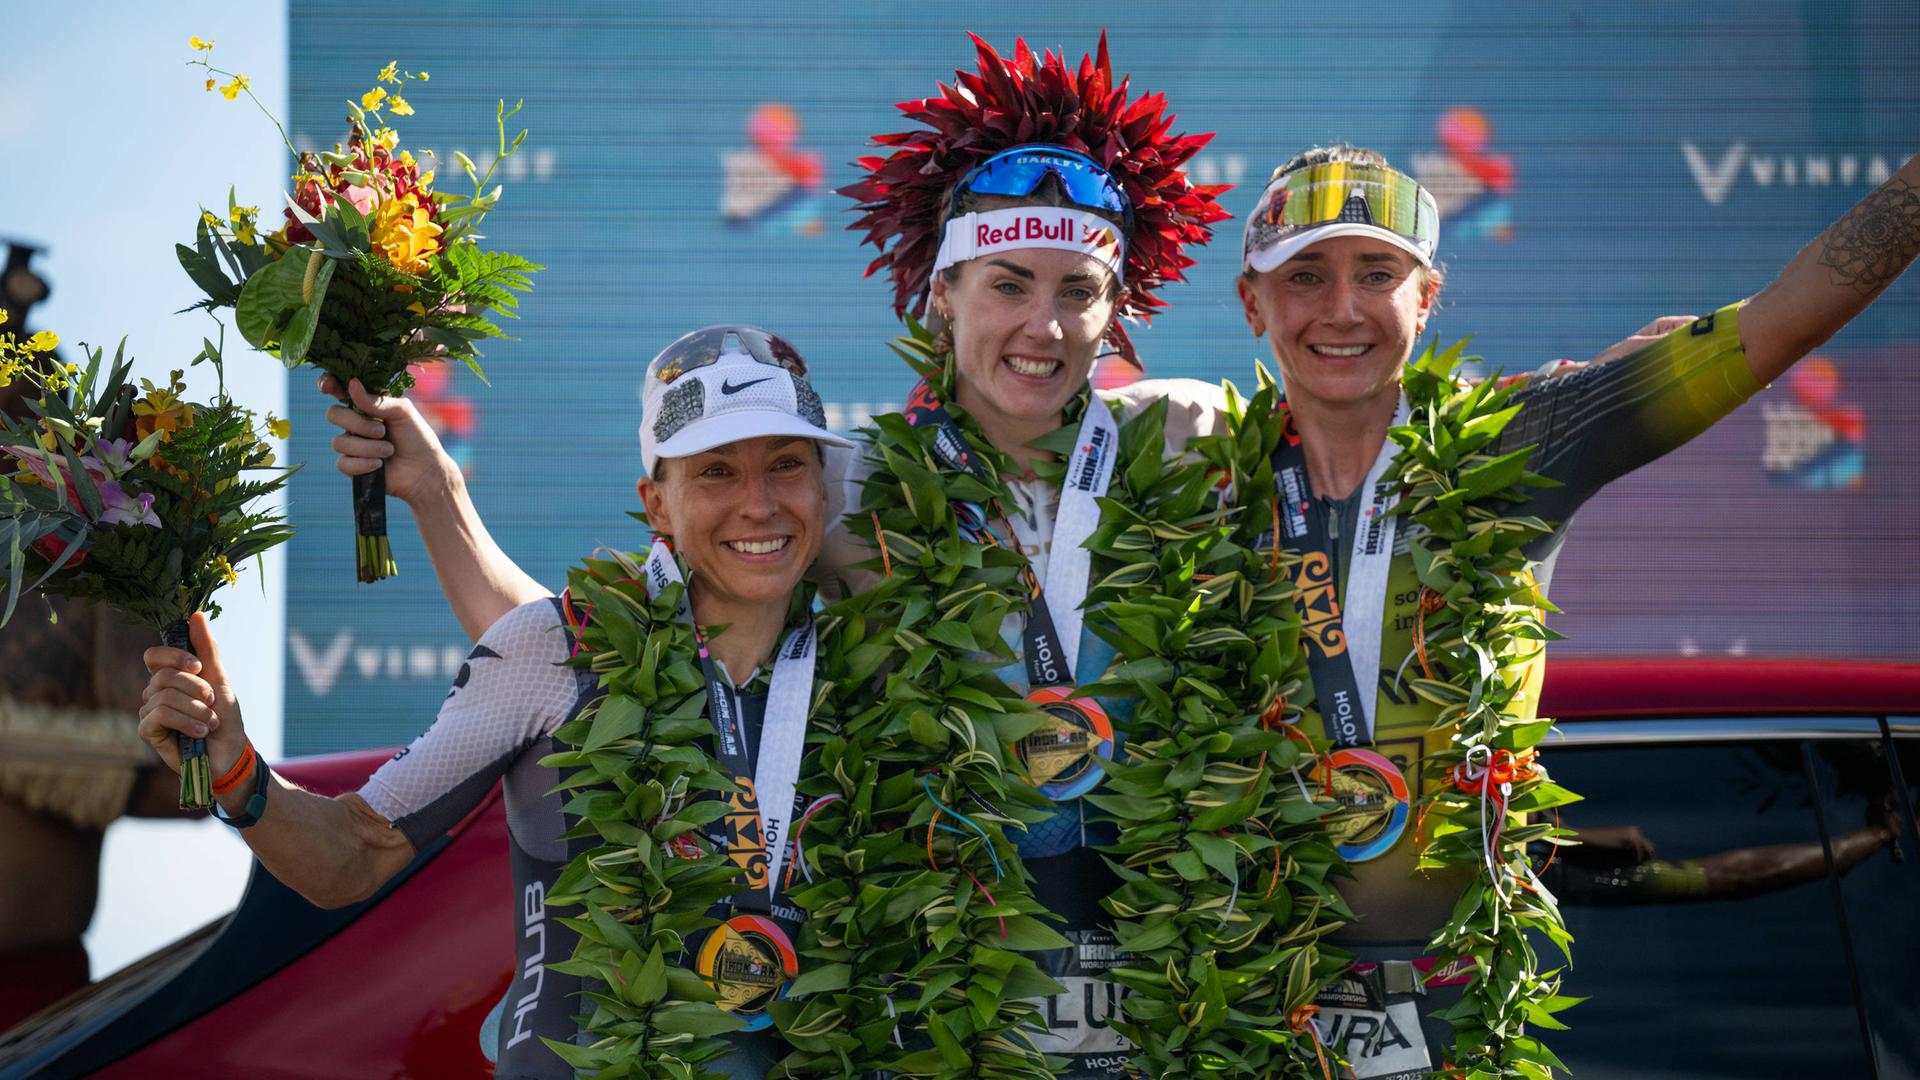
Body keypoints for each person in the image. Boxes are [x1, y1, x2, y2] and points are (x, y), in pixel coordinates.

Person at [313, 39, 1693, 1077]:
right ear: (940, 298)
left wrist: (1635, 380)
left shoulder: (1201, 441)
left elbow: (1383, 432)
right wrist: (440, 502)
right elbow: (591, 640)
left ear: (1120, 310)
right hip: (959, 1022)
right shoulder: (847, 491)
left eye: (1077, 291)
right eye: (1007, 287)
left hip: (1174, 1006)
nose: (1041, 327)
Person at [1226, 144, 1920, 1076]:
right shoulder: (1198, 480)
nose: (1342, 308)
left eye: (1377, 272)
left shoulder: (1523, 443)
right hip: (1241, 1026)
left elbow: (1781, 323)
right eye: (1305, 275)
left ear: (1425, 297)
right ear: (1251, 304)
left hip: (1460, 1030)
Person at [139, 326, 852, 1078]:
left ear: (823, 485)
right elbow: (351, 855)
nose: (760, 503)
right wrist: (235, 771)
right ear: (658, 506)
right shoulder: (552, 649)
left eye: (786, 464)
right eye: (715, 471)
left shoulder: (870, 688)